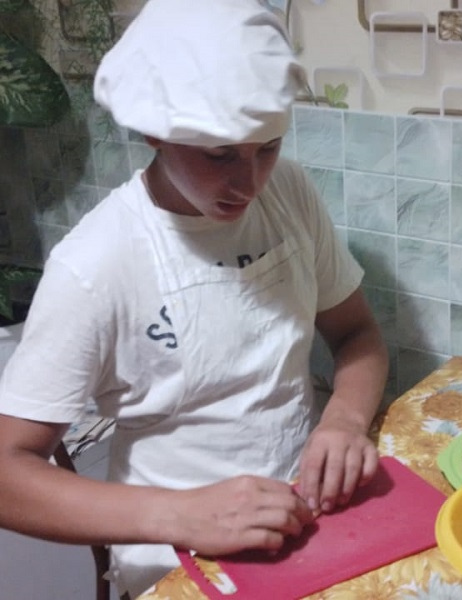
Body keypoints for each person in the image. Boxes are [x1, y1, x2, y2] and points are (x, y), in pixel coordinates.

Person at [0, 0, 388, 597]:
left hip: (306, 520)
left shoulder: (288, 193)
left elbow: (357, 335)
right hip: (177, 559)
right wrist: (181, 514)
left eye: (268, 147)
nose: (249, 182)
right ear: (155, 131)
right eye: (219, 155)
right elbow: (7, 473)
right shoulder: (97, 263)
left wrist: (344, 420)